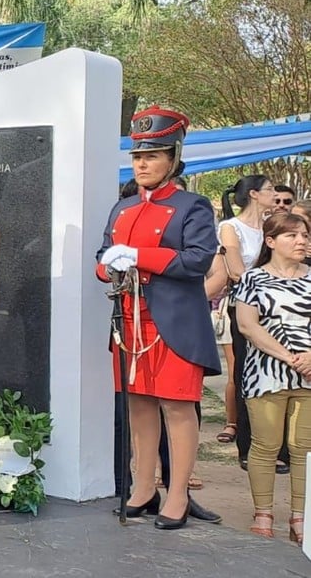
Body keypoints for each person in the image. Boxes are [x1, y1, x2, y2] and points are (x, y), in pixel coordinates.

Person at [97, 105, 221, 530]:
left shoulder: (192, 206)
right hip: (130, 319)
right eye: (137, 156)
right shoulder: (123, 207)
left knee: (177, 408)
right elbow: (102, 257)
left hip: (173, 322)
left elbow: (198, 260)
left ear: (173, 158)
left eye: (152, 155)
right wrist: (109, 264)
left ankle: (179, 495)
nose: (142, 163)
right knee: (139, 407)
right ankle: (144, 486)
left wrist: (139, 256)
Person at [233, 212, 311, 542]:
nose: (301, 241)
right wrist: (291, 357)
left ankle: (300, 517)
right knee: (265, 445)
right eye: (292, 236)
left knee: (303, 448)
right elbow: (247, 325)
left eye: (305, 235)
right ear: (270, 241)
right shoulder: (253, 279)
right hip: (265, 375)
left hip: (309, 376)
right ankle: (263, 513)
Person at [217, 175, 289, 475]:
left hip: (282, 311)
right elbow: (235, 270)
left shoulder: (277, 226)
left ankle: (282, 448)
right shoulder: (230, 228)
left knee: (284, 376)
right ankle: (248, 446)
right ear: (255, 195)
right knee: (248, 374)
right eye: (271, 189)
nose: (276, 194)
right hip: (247, 308)